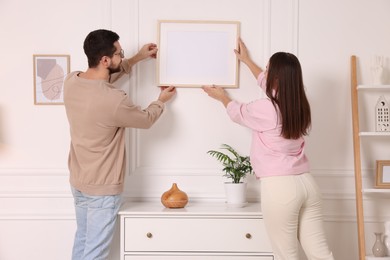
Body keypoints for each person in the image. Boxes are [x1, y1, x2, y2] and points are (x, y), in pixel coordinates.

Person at [202, 39, 334, 260]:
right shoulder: (301, 105)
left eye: (267, 69)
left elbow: (238, 113)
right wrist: (246, 61)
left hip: (281, 187)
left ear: (276, 77)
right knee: (320, 254)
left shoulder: (267, 109)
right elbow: (267, 84)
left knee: (286, 255)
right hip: (308, 185)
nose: (264, 72)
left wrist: (222, 97)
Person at [63, 29, 176, 260]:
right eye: (119, 54)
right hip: (103, 187)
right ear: (105, 60)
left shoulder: (71, 81)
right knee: (95, 253)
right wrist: (160, 101)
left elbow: (101, 81)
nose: (122, 57)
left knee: (83, 242)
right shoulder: (114, 100)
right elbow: (145, 119)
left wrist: (136, 58)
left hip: (79, 180)